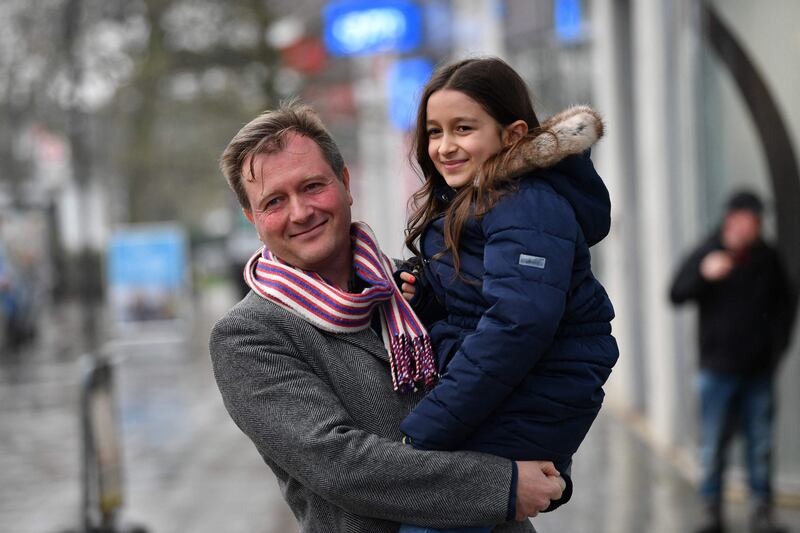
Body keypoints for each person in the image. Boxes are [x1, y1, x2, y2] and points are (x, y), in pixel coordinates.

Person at [210, 102, 569, 533]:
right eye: (274, 201)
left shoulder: (423, 280)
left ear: (345, 183)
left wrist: (550, 460)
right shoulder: (248, 336)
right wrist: (504, 487)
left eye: (312, 186)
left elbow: (515, 369)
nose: (301, 212)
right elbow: (341, 464)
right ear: (252, 218)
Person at [394, 57, 619, 533]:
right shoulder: (480, 203)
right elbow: (480, 303)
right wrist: (424, 297)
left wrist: (428, 428)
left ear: (514, 134)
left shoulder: (526, 205)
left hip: (519, 410)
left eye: (463, 128)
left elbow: (518, 325)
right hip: (504, 406)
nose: (445, 146)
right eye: (434, 132)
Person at [670, 190, 796, 533]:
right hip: (716, 371)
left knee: (761, 444)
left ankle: (762, 512)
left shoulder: (766, 258)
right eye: (747, 219)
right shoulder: (708, 251)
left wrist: (776, 350)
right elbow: (676, 292)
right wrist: (704, 273)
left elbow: (785, 306)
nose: (752, 227)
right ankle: (712, 512)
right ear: (732, 219)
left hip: (758, 371)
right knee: (712, 445)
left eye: (756, 222)